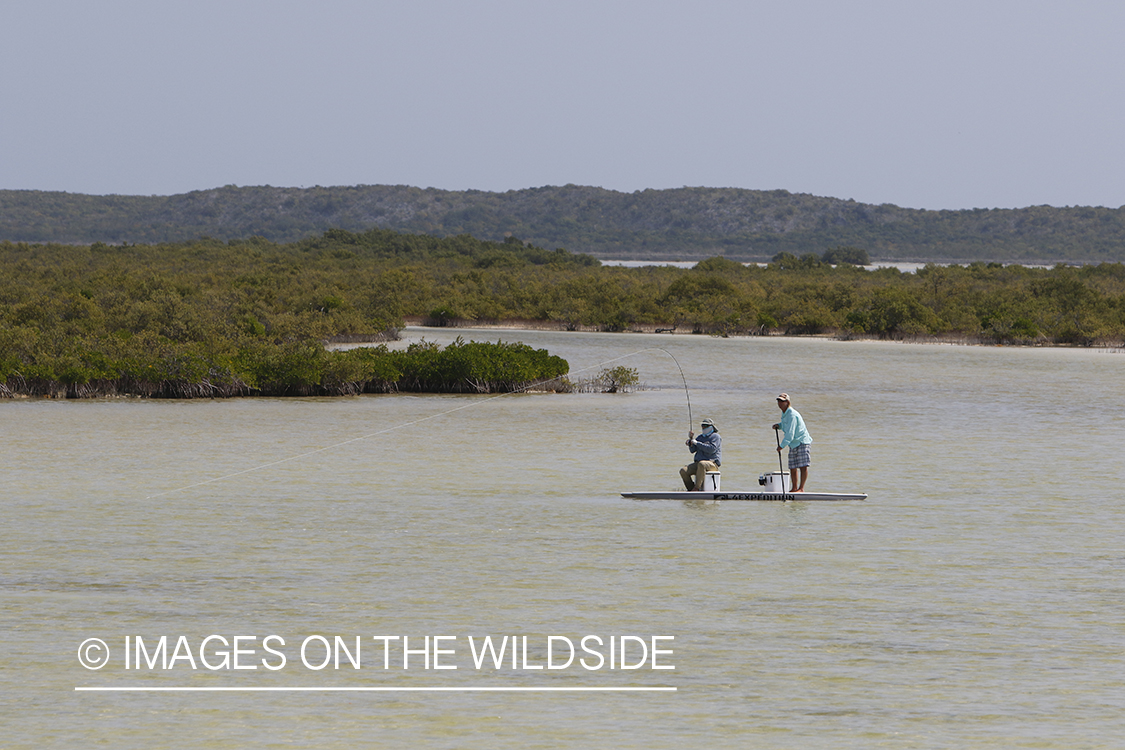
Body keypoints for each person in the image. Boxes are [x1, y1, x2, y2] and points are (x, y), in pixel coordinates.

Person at [772, 393, 812, 492]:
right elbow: (786, 425)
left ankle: (801, 488)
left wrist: (781, 446)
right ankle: (794, 488)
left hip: (801, 441)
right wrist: (779, 426)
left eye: (782, 401)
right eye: (779, 401)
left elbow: (790, 433)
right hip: (793, 443)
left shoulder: (792, 414)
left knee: (803, 466)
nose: (780, 403)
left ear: (787, 402)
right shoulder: (785, 413)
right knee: (793, 467)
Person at [680, 418, 722, 491]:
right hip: (698, 464)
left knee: (702, 464)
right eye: (702, 425)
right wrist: (691, 442)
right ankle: (691, 489)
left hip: (712, 463)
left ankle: (697, 488)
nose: (703, 427)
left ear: (711, 426)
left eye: (705, 426)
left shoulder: (716, 437)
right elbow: (692, 450)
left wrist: (697, 443)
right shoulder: (700, 437)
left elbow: (711, 449)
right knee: (683, 470)